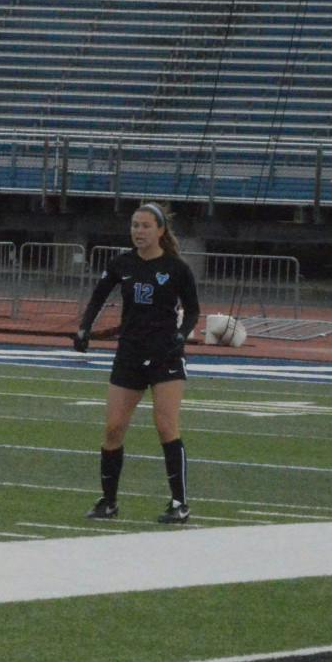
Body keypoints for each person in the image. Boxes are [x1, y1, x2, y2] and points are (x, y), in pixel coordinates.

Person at [73, 203, 201, 525]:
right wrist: (84, 328)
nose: (138, 231)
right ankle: (108, 502)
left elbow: (194, 310)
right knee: (113, 428)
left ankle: (179, 503)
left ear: (160, 231)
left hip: (165, 356)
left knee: (166, 426)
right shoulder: (122, 264)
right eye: (134, 225)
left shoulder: (176, 268)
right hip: (129, 353)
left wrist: (181, 335)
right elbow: (99, 296)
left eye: (145, 226)